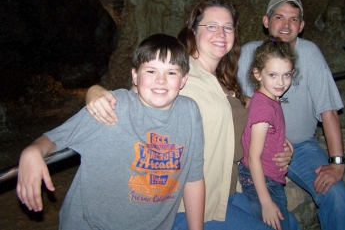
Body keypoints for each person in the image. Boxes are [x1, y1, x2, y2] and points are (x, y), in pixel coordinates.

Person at [84, 0, 300, 230]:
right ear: (194, 31)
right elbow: (136, 95)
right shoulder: (181, 72)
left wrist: (275, 140)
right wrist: (94, 91)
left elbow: (243, 115)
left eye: (228, 28)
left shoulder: (224, 81)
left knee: (291, 224)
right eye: (212, 26)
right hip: (190, 205)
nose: (221, 33)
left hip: (227, 189)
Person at [16, 34, 205, 230]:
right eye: (151, 70)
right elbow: (55, 138)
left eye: (171, 73)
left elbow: (193, 177)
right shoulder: (113, 106)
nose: (161, 80)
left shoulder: (189, 112)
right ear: (134, 76)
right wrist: (33, 151)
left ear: (183, 80)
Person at [237, 0, 345, 230]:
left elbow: (328, 111)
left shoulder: (309, 54)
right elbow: (224, 94)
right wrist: (245, 99)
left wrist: (337, 163)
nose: (286, 25)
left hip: (301, 147)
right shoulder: (248, 54)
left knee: (336, 193)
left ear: (301, 26)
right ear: (266, 21)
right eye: (279, 17)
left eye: (293, 19)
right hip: (258, 151)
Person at [238, 37, 296, 230]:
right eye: (272, 75)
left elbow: (267, 131)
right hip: (263, 181)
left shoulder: (269, 97)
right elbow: (253, 157)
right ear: (258, 74)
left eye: (286, 75)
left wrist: (282, 140)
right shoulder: (265, 108)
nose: (280, 82)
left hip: (267, 177)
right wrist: (266, 202)